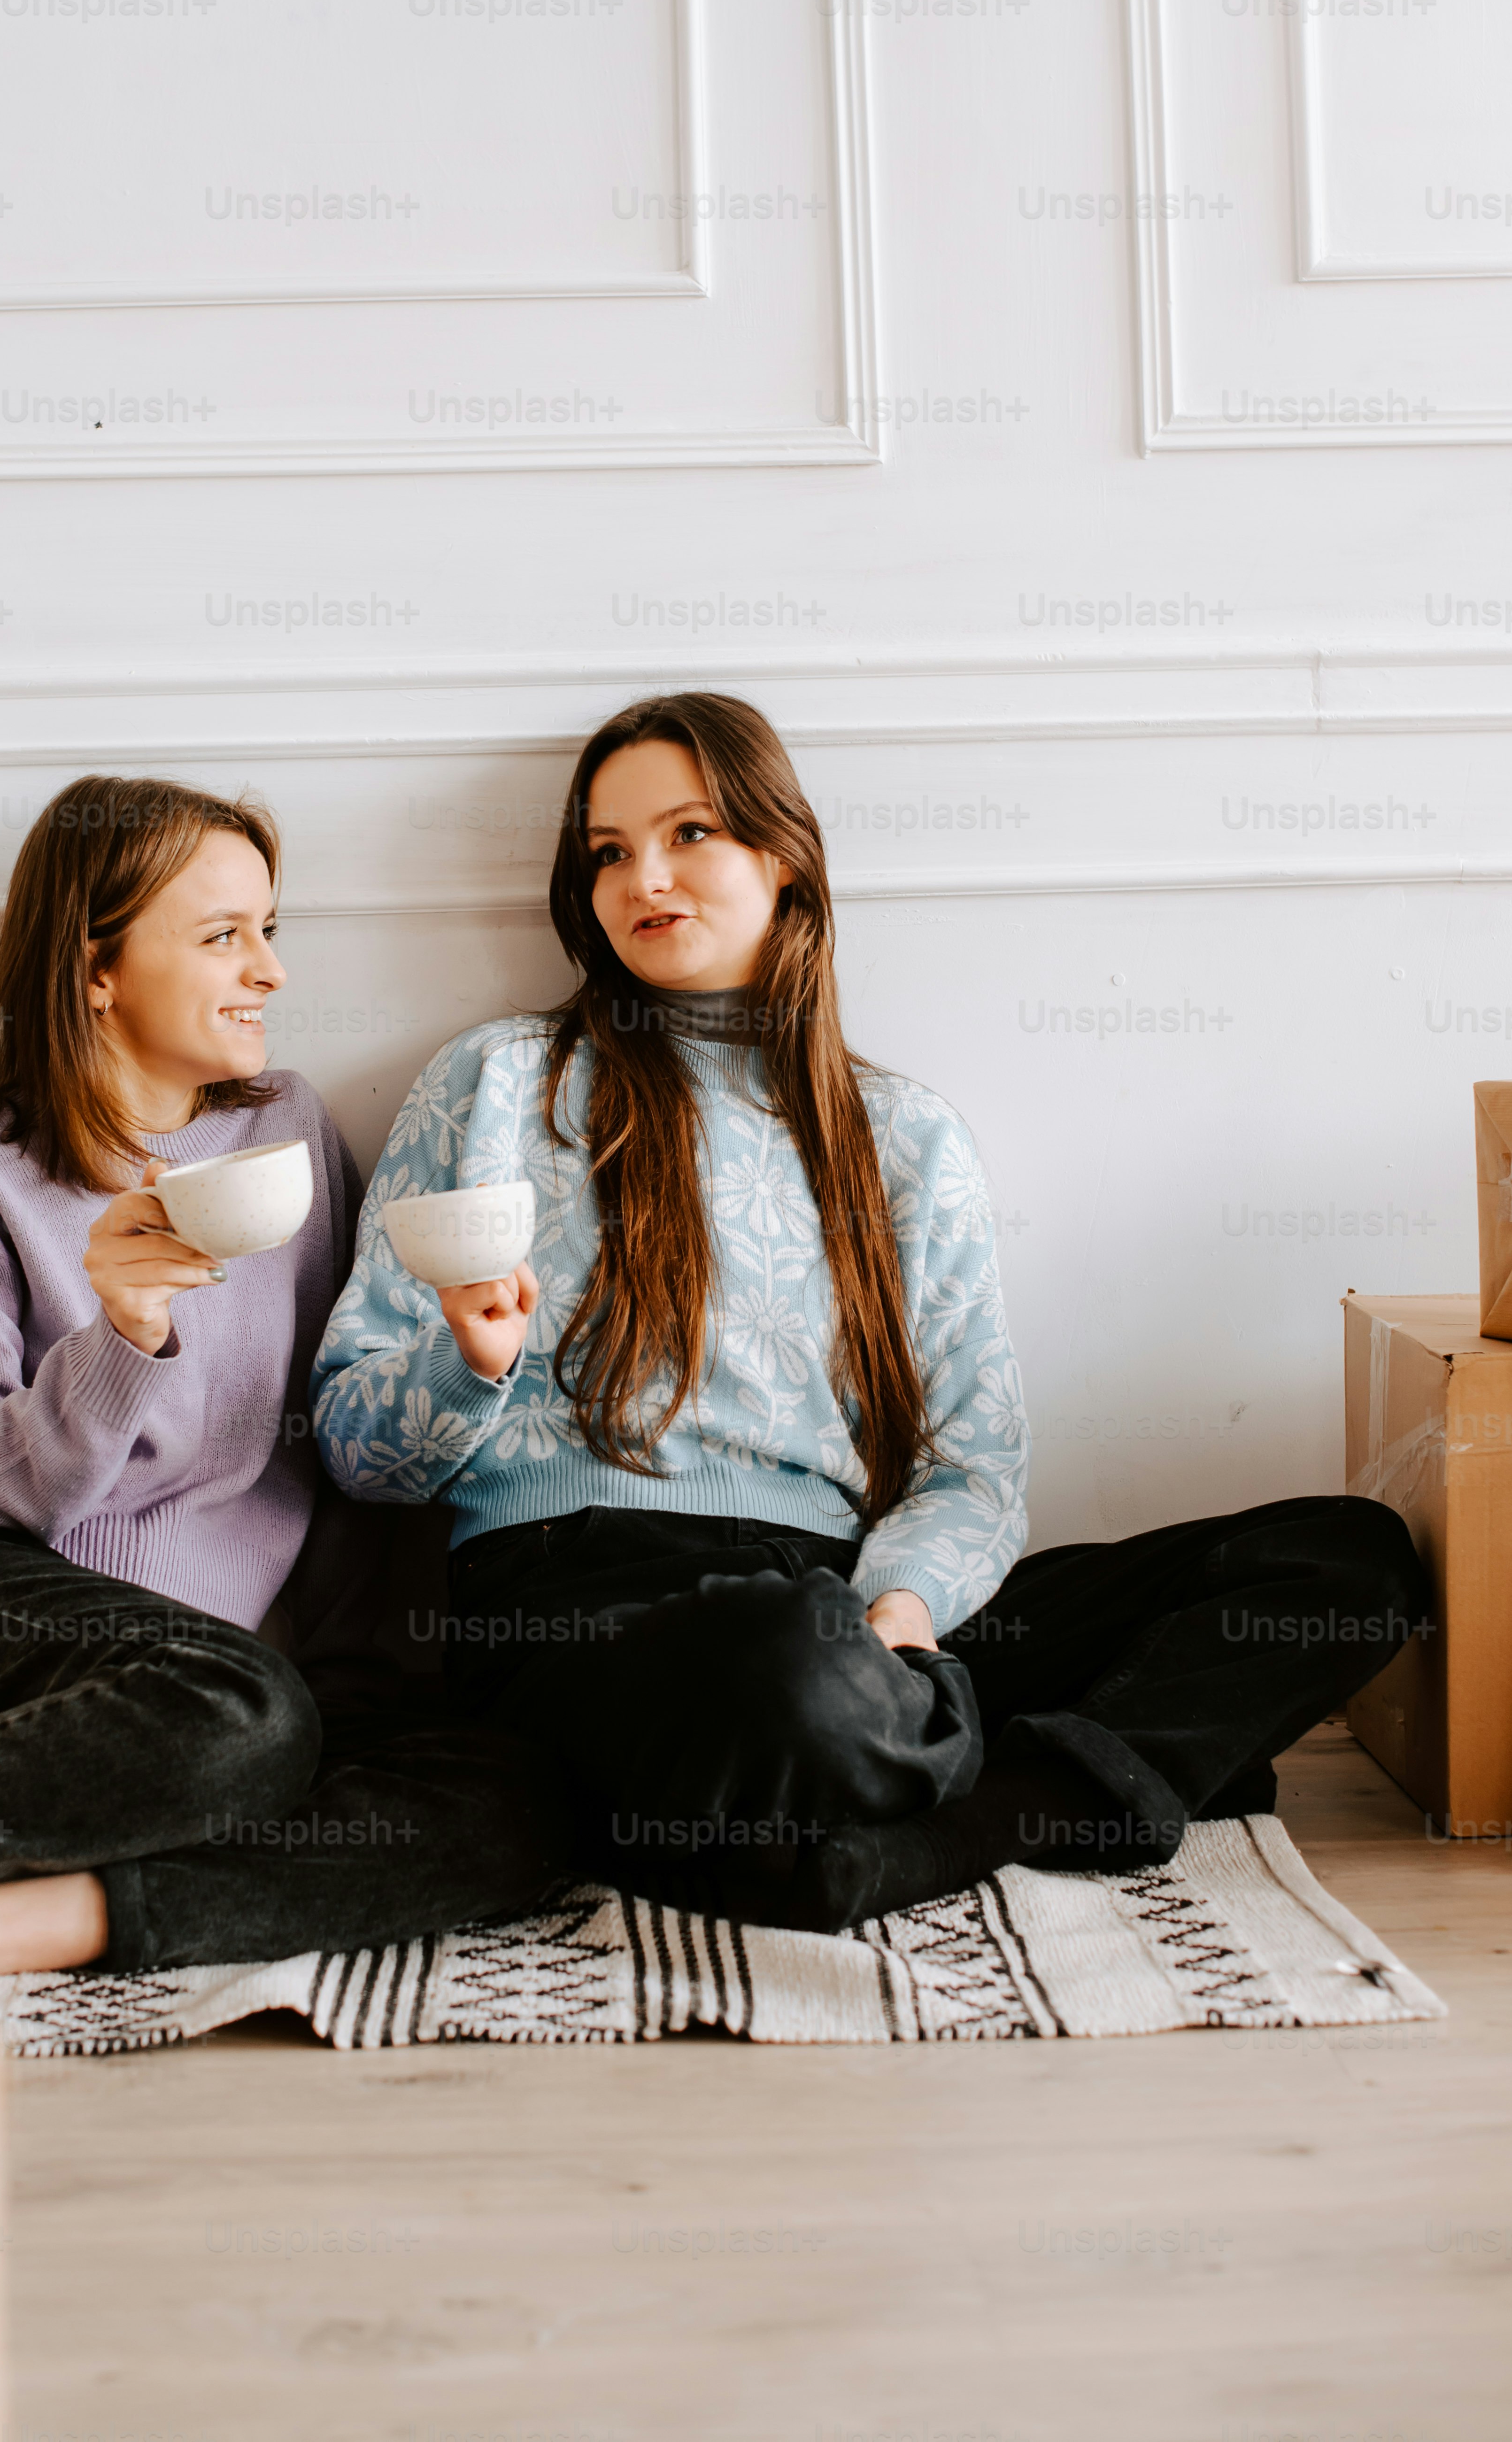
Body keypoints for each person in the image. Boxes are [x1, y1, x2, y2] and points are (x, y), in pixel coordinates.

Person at [312, 694, 1427, 1931]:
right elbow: (358, 1450)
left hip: (856, 1603)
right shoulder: (497, 1080)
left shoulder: (904, 1138)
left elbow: (974, 1462)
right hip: (589, 1612)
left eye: (691, 834)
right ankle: (967, 1765)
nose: (645, 877)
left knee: (1352, 1559)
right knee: (779, 1670)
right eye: (609, 851)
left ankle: (954, 1813)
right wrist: (470, 1363)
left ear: (782, 857)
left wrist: (898, 1615)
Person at [0, 776, 564, 2008]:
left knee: (513, 1800)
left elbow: (322, 1458)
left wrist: (359, 1695)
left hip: (189, 1701)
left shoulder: (286, 1135)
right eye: (223, 935)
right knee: (242, 1716)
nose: (271, 973)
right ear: (97, 967)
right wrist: (122, 1337)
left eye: (270, 930)